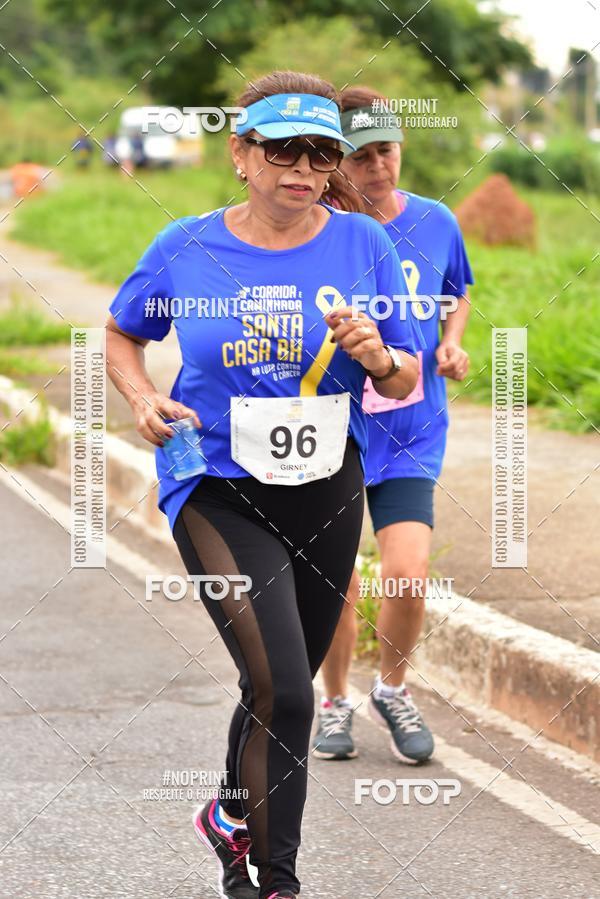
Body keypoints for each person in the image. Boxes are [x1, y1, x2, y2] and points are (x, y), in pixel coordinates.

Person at [105, 71, 424, 899]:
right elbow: (121, 331)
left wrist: (376, 356)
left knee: (276, 686)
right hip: (215, 487)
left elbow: (402, 376)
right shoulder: (184, 244)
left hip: (325, 488)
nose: (303, 169)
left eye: (321, 154)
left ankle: (227, 810)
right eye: (282, 149)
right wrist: (143, 398)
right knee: (285, 683)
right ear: (239, 153)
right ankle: (269, 877)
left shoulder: (365, 246)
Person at [313, 85, 473, 766]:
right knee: (338, 580)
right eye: (362, 156)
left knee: (406, 576)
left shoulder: (437, 220)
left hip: (411, 427)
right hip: (338, 431)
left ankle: (393, 687)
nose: (379, 166)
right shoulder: (317, 231)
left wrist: (451, 341)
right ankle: (334, 701)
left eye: (388, 151)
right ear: (337, 163)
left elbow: (457, 290)